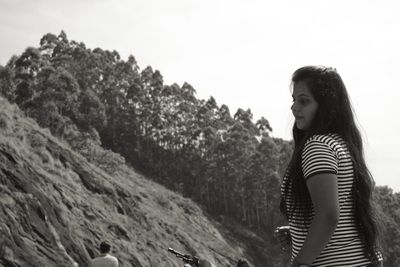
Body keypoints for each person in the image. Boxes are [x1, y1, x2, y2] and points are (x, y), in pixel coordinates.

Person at [278, 66, 383, 267]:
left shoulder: (317, 146)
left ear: (325, 106)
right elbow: (342, 210)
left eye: (304, 101)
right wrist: (298, 230)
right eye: (294, 100)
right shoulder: (341, 143)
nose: (294, 108)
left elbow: (328, 215)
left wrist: (300, 263)